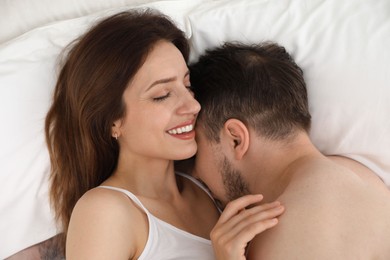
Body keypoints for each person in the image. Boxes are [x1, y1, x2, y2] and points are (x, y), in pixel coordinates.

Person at [44, 10, 284, 259]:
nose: (193, 106)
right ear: (111, 121)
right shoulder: (104, 212)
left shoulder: (207, 188)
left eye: (188, 86)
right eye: (162, 95)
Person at [188, 42, 390, 259]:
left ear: (236, 138)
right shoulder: (363, 177)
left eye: (197, 149)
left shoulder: (283, 237)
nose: (194, 174)